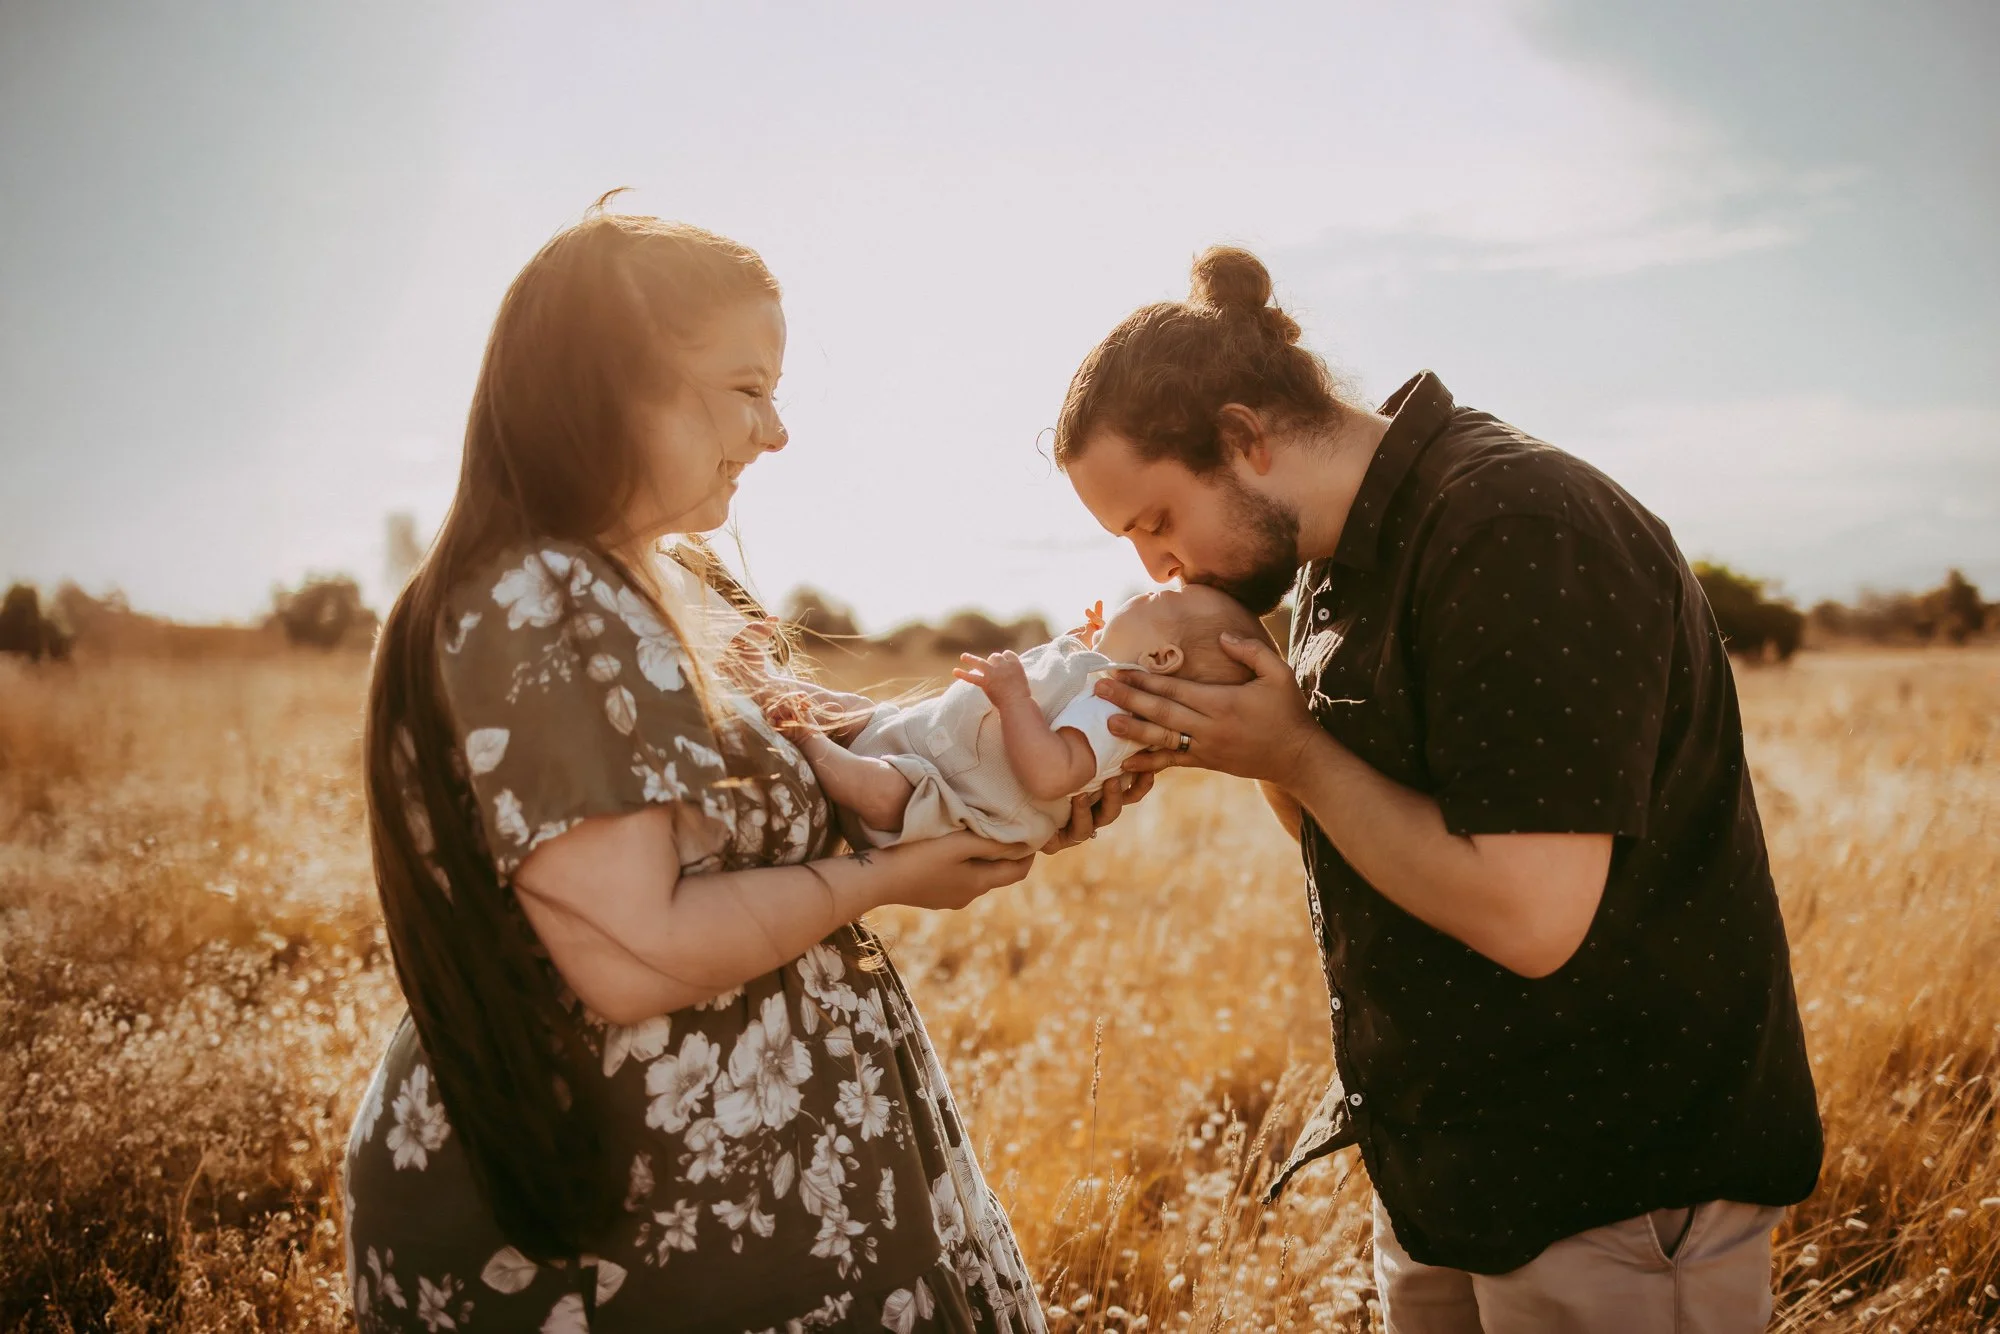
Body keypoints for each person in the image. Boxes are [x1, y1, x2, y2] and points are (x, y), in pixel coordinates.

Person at [343, 201, 1147, 1333]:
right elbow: (634, 955)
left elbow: (829, 765)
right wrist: (883, 882)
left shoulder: (666, 584)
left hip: (741, 1196)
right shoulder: (538, 600)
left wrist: (1025, 759)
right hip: (623, 1217)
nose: (775, 432)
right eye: (744, 387)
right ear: (608, 387)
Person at [1057, 245, 1822, 1332]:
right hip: (1455, 1172)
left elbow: (1528, 915)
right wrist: (1249, 742)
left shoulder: (1513, 527)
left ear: (1242, 438)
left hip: (1610, 1181)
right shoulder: (1334, 558)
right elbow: (1357, 821)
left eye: (1155, 521)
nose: (1157, 567)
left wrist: (1295, 752)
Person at [793, 585, 1267, 847]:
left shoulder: (1116, 713)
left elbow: (1049, 774)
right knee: (855, 709)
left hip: (939, 794)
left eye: (1160, 600)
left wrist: (1015, 699)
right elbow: (1060, 696)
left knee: (881, 791)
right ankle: (768, 682)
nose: (1149, 590)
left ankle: (806, 739)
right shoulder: (1099, 684)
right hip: (918, 742)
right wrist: (1085, 645)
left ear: (1162, 658)